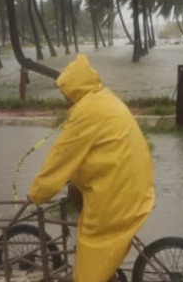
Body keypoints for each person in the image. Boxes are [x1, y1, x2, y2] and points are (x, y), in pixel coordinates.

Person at [28, 54, 155, 282]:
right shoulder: (105, 98)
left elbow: (61, 158)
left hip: (117, 192)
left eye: (65, 92)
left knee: (91, 258)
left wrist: (38, 193)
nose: (65, 99)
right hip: (136, 181)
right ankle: (109, 272)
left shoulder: (86, 112)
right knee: (77, 194)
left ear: (74, 89)